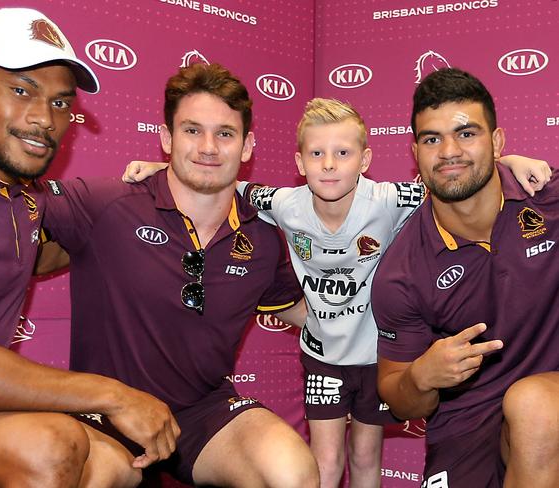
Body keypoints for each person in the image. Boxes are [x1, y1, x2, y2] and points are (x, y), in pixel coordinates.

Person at [124, 97, 549, 488]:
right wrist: (163, 169)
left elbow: (457, 176)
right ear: (299, 161)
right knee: (324, 462)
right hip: (322, 356)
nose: (328, 165)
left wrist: (508, 160)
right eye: (316, 154)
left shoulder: (389, 199)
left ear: (364, 160)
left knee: (365, 458)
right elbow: (221, 180)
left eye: (342, 154)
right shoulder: (284, 203)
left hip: (377, 360)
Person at [0, 8, 180, 488]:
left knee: (118, 466)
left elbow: (46, 247)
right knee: (50, 446)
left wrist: (167, 186)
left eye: (60, 103)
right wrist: (112, 394)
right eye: (21, 90)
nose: (43, 119)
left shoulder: (20, 194)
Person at [39, 62, 319, 487]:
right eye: (192, 130)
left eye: (225, 133)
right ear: (167, 139)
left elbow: (313, 317)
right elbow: (7, 215)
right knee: (99, 476)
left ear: (247, 147)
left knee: (290, 471)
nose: (208, 147)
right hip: (107, 413)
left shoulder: (262, 239)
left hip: (199, 412)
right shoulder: (108, 203)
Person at [373, 67, 559, 488]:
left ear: (496, 142)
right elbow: (397, 398)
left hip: (551, 399)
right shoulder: (400, 273)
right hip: (466, 422)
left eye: (467, 134)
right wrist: (422, 375)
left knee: (534, 405)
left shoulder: (549, 201)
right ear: (415, 152)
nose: (449, 151)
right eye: (432, 139)